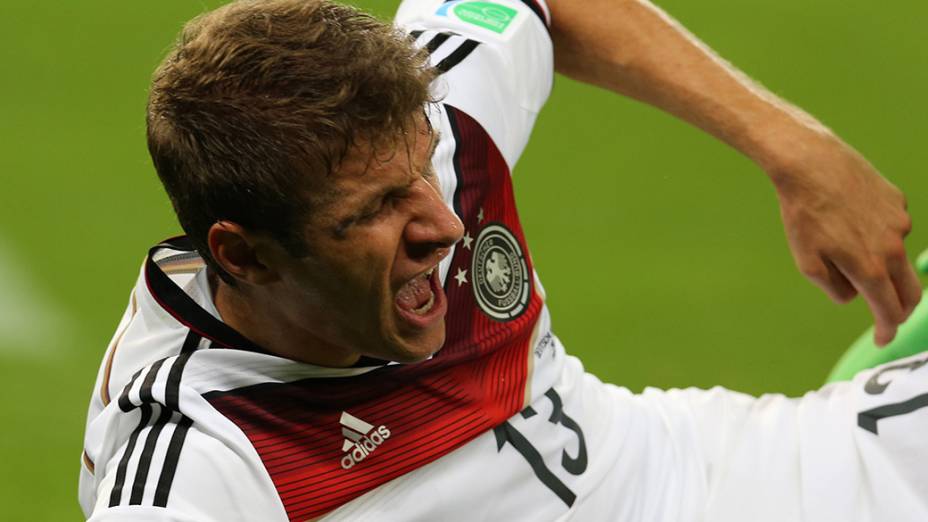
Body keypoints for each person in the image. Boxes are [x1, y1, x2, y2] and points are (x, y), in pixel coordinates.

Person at [79, 0, 926, 520]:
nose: (444, 225)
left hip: (721, 477)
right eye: (375, 211)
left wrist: (794, 149)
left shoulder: (425, 134)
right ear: (245, 254)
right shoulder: (198, 461)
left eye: (420, 167)